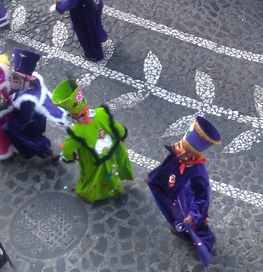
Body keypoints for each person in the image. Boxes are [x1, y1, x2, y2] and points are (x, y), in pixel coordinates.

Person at [146, 116, 221, 267]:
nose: (175, 146)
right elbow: (165, 169)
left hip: (188, 205)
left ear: (189, 154)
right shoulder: (177, 158)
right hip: (175, 198)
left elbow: (203, 196)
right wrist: (153, 178)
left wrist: (193, 214)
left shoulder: (199, 173)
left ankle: (195, 239)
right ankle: (179, 227)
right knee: (174, 215)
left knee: (192, 226)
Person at [52, 78, 133, 203]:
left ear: (74, 114)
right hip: (113, 153)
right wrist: (122, 137)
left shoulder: (77, 132)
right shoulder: (101, 112)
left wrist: (69, 158)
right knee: (113, 172)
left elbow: (68, 150)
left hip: (96, 162)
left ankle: (119, 193)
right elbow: (117, 128)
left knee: (103, 178)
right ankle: (120, 192)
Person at [2, 49, 68, 162]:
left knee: (28, 137)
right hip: (38, 118)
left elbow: (24, 119)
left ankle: (50, 154)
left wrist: (11, 123)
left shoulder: (28, 100)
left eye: (17, 79)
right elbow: (15, 89)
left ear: (25, 79)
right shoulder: (33, 81)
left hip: (31, 123)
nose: (14, 81)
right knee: (39, 136)